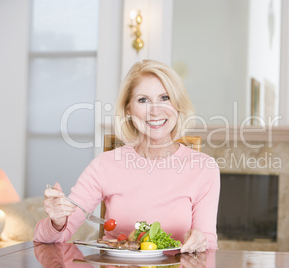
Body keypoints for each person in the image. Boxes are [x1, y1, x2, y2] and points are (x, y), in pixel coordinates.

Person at [33, 59, 220, 253]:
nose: (155, 110)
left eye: (165, 97)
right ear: (128, 109)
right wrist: (57, 222)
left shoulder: (204, 167)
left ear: (178, 104)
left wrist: (201, 240)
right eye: (143, 100)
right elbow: (46, 239)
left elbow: (208, 245)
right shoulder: (105, 164)